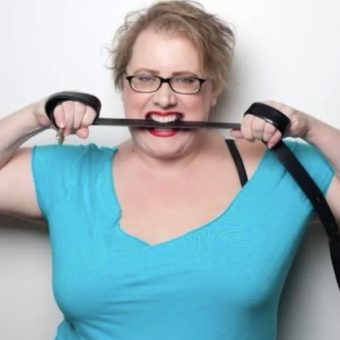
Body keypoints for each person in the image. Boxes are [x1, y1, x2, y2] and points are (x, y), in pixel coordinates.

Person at [0, 1, 339, 339]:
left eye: (185, 80)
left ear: (214, 89)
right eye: (145, 78)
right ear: (123, 85)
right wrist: (35, 117)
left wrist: (309, 127)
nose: (164, 99)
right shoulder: (71, 174)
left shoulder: (282, 172)